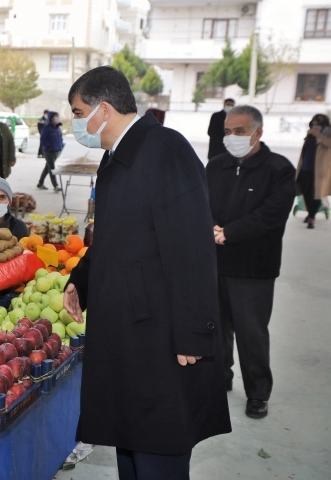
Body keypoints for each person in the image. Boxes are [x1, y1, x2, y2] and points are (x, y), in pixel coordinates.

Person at [62, 66, 231, 479]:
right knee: (132, 440)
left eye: (78, 111)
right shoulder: (116, 157)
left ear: (103, 110)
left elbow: (193, 246)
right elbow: (115, 233)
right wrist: (81, 278)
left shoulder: (165, 150)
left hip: (160, 332)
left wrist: (194, 331)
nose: (75, 122)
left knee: (159, 445)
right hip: (127, 329)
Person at [206, 105, 296, 419]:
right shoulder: (215, 166)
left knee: (251, 333)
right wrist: (212, 229)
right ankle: (221, 378)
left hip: (254, 269)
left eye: (239, 132)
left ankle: (258, 393)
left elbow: (271, 215)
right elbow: (201, 204)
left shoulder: (279, 169)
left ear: (258, 132)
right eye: (228, 132)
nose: (232, 137)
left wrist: (228, 232)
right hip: (216, 263)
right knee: (216, 329)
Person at [296, 114, 331, 229]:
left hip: (319, 171)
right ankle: (311, 213)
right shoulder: (310, 134)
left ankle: (312, 216)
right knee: (306, 192)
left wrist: (319, 136)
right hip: (305, 168)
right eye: (314, 124)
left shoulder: (328, 133)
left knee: (316, 194)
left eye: (318, 124)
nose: (316, 126)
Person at [37, 111, 62, 192]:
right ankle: (56, 185)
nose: (57, 118)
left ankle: (40, 183)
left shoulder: (58, 128)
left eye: (57, 116)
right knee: (52, 168)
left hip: (56, 151)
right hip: (48, 151)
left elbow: (60, 138)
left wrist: (60, 147)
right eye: (55, 117)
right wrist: (49, 147)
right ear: (51, 118)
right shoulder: (46, 128)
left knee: (47, 167)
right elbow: (43, 139)